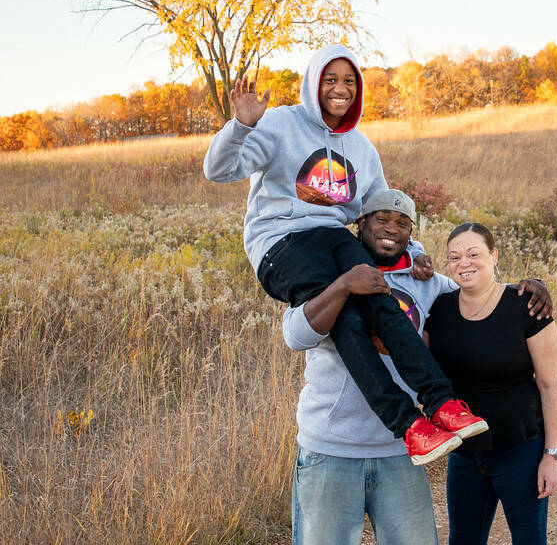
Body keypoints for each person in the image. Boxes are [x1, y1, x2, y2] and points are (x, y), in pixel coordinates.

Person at [282, 190, 551, 545]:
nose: (391, 228)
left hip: (405, 445)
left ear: (412, 233)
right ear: (359, 225)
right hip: (330, 445)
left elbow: (478, 288)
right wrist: (344, 285)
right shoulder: (330, 271)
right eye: (380, 219)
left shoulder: (426, 281)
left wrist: (531, 287)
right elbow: (295, 333)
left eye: (402, 222)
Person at [203, 45, 486, 466]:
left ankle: (442, 404)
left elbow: (382, 210)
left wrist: (417, 251)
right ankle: (409, 426)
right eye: (330, 80)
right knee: (347, 320)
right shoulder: (281, 123)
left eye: (349, 81)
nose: (340, 89)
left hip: (335, 237)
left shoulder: (362, 149)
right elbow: (219, 170)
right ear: (314, 82)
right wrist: (241, 125)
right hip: (283, 242)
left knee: (381, 301)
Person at [424, 222, 557, 545]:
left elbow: (550, 385)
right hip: (467, 451)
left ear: (495, 255)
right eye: (455, 255)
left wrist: (552, 453)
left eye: (475, 253)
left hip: (521, 446)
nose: (465, 262)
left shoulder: (526, 306)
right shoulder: (440, 309)